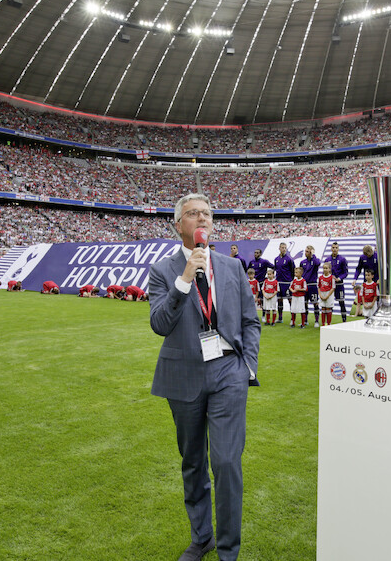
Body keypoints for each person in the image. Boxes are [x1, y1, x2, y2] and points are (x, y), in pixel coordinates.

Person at [148, 193, 260, 561]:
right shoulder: (162, 271)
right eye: (193, 214)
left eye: (207, 214)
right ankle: (202, 537)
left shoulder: (231, 268)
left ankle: (229, 551)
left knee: (226, 462)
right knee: (193, 461)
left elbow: (250, 321)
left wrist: (248, 366)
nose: (201, 220)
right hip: (184, 374)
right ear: (178, 224)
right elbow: (160, 324)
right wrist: (184, 280)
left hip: (228, 370)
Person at [324, 242, 348, 322]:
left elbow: (345, 272)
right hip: (330, 285)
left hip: (339, 284)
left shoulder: (342, 259)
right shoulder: (327, 260)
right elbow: (325, 271)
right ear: (331, 248)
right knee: (329, 303)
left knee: (341, 302)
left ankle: (344, 321)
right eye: (333, 247)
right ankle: (328, 322)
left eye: (336, 248)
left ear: (338, 249)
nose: (334, 249)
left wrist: (339, 278)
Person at [247, 249, 274, 322]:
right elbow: (248, 271)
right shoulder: (251, 262)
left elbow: (273, 267)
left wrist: (271, 277)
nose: (256, 254)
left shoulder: (264, 261)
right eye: (255, 253)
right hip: (253, 284)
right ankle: (251, 317)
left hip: (261, 283)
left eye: (257, 253)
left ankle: (263, 316)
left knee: (263, 301)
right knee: (251, 301)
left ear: (261, 254)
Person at [273, 242, 296, 324]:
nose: (283, 249)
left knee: (290, 300)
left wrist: (291, 281)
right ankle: (280, 318)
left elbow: (293, 270)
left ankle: (292, 319)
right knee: (279, 300)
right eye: (282, 247)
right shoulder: (276, 259)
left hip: (287, 283)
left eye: (285, 247)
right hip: (279, 283)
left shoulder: (289, 259)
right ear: (279, 248)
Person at [300, 245, 321, 327]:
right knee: (305, 303)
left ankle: (316, 321)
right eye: (305, 251)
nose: (306, 253)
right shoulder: (302, 262)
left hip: (312, 285)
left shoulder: (316, 260)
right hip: (304, 285)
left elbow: (318, 263)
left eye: (308, 251)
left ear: (312, 252)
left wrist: (313, 255)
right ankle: (305, 320)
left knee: (315, 303)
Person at [318, 261, 335, 326]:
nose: (325, 270)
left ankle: (328, 323)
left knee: (328, 309)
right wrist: (320, 295)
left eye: (326, 268)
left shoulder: (331, 278)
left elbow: (333, 288)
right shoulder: (320, 277)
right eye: (324, 268)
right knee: (323, 309)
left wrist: (327, 296)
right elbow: (319, 287)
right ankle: (323, 324)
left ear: (330, 269)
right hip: (322, 293)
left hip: (329, 294)